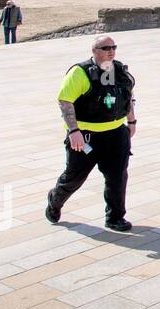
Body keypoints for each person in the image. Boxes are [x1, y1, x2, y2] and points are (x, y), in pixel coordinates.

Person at [45, 35, 137, 232]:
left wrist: (131, 120)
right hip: (86, 136)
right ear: (95, 51)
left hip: (115, 134)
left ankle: (115, 217)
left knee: (117, 176)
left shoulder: (120, 70)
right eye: (106, 48)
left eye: (113, 47)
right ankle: (55, 200)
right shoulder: (80, 72)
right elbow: (65, 101)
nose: (111, 51)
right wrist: (74, 131)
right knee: (74, 177)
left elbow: (128, 96)